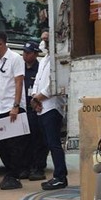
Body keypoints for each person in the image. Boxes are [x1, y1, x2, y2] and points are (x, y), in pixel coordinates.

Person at [0, 31, 27, 190]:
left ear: (1, 44)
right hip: (0, 106)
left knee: (14, 144)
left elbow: (19, 83)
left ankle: (14, 175)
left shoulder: (15, 59)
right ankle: (9, 172)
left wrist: (16, 106)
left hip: (13, 106)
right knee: (0, 143)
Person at [30, 32, 69, 190]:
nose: (43, 42)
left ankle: (60, 177)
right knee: (47, 143)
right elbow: (37, 81)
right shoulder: (44, 59)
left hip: (52, 107)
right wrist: (34, 98)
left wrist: (38, 98)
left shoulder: (58, 58)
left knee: (54, 144)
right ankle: (58, 174)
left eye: (46, 39)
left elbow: (54, 84)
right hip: (41, 107)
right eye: (43, 39)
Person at [20, 40, 47, 181]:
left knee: (38, 140)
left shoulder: (40, 68)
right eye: (24, 52)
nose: (25, 55)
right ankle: (25, 167)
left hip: (36, 108)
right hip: (23, 108)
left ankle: (38, 168)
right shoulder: (20, 68)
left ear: (36, 54)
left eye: (29, 53)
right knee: (24, 140)